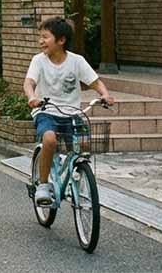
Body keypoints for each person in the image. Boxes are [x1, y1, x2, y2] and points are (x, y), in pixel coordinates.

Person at [24, 16, 115, 206]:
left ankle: (78, 174)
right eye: (40, 37)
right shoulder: (39, 61)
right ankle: (43, 185)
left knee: (83, 145)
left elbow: (95, 81)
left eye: (45, 37)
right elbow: (29, 82)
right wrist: (32, 97)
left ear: (61, 40)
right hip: (46, 111)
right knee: (50, 140)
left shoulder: (76, 61)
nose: (41, 41)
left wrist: (105, 94)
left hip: (71, 113)